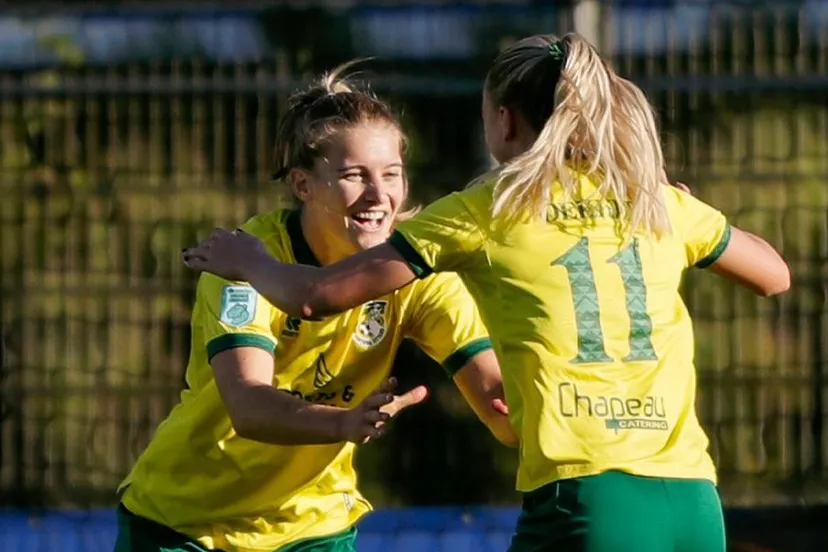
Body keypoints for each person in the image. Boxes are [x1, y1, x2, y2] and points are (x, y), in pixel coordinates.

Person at [183, 33, 791, 552]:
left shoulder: (489, 208)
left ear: (503, 120)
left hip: (588, 497)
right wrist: (672, 198)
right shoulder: (654, 202)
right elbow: (774, 274)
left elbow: (317, 296)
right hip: (693, 500)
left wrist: (249, 261)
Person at [116, 62, 517, 552]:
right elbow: (249, 406)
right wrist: (343, 423)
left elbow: (496, 393)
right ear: (304, 185)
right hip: (185, 525)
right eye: (354, 175)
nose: (378, 195)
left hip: (313, 527)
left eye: (392, 174)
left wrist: (541, 414)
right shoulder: (246, 261)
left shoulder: (415, 271)